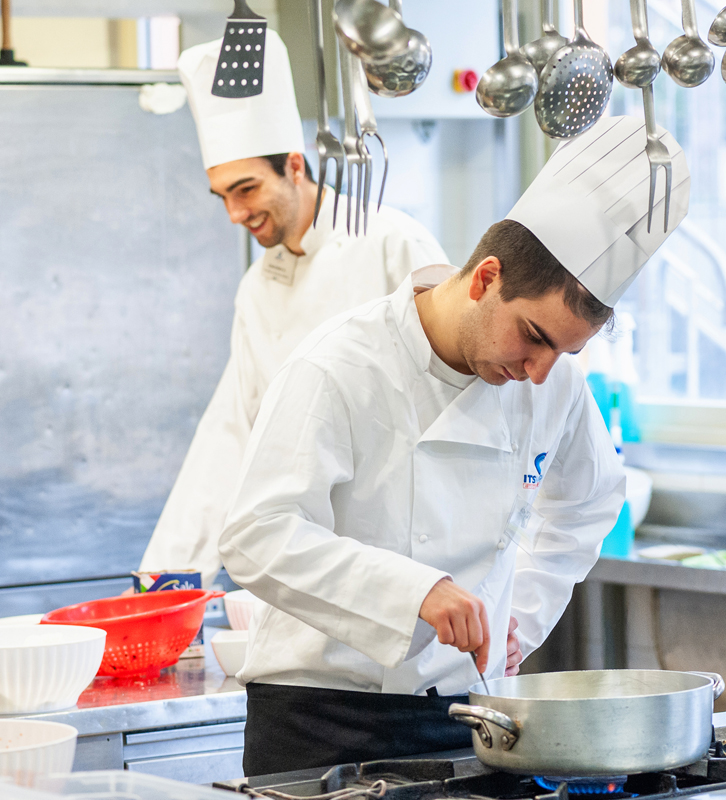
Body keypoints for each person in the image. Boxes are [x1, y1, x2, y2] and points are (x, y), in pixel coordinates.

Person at [218, 115, 691, 776]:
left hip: (467, 716)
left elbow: (589, 504)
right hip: (319, 720)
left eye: (563, 351)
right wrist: (415, 591)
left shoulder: (552, 383)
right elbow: (256, 535)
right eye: (534, 336)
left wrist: (518, 616)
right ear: (484, 278)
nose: (539, 372)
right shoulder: (339, 366)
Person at [137, 30, 447, 586]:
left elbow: (453, 398)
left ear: (295, 167)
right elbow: (233, 432)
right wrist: (164, 580)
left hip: (403, 554)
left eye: (246, 189)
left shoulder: (392, 243)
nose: (235, 214)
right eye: (223, 196)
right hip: (305, 565)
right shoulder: (258, 288)